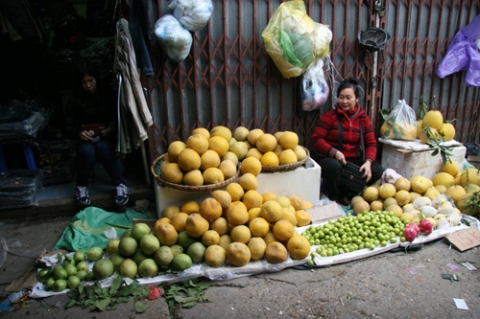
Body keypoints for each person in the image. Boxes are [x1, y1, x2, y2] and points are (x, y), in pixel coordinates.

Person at [311, 78, 384, 205]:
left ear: (356, 99)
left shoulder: (363, 119)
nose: (344, 101)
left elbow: (371, 143)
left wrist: (368, 161)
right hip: (331, 159)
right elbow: (316, 138)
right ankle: (334, 195)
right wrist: (334, 152)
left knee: (377, 170)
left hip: (351, 162)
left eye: (348, 97)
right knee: (334, 167)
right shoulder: (330, 117)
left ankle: (347, 192)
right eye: (341, 97)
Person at [64, 64, 129, 207]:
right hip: (84, 140)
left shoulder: (107, 94)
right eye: (84, 82)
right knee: (86, 152)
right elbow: (68, 126)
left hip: (105, 138)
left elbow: (118, 118)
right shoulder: (75, 99)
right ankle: (82, 186)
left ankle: (120, 184)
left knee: (103, 149)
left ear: (96, 79)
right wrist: (79, 133)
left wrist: (111, 128)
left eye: (91, 80)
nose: (88, 85)